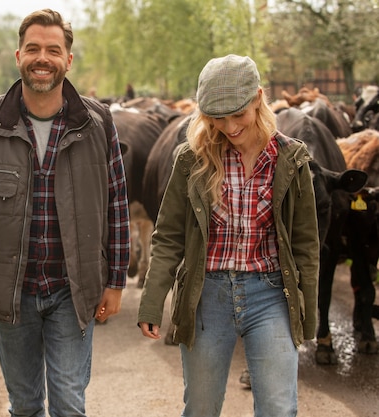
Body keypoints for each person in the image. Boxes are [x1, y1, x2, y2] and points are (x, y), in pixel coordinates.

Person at [0, 9, 130, 417]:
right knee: (26, 404)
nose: (42, 58)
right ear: (18, 55)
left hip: (72, 286)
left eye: (53, 49)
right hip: (9, 289)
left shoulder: (97, 123)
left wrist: (116, 280)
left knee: (69, 402)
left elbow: (116, 205)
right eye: (33, 48)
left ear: (68, 59)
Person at [137, 54, 320, 417]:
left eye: (238, 113)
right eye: (217, 117)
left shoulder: (291, 159)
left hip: (271, 295)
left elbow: (306, 244)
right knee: (201, 409)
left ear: (258, 98)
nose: (229, 126)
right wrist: (153, 301)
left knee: (279, 408)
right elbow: (169, 236)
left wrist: (308, 312)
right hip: (207, 296)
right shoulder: (191, 159)